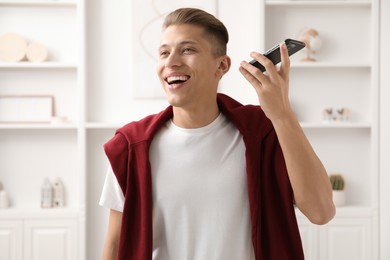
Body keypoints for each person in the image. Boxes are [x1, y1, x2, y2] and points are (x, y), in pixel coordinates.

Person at [99, 7, 335, 260]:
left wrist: (283, 114)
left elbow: (321, 212)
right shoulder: (131, 147)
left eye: (187, 49)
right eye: (164, 52)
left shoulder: (264, 133)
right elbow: (114, 246)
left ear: (221, 65)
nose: (171, 61)